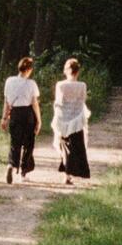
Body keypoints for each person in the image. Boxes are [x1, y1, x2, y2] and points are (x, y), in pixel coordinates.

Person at [0, 55, 41, 183]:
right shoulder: (31, 84)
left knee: (15, 143)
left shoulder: (9, 81)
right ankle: (23, 173)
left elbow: (7, 102)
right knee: (29, 144)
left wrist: (4, 118)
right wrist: (39, 120)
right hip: (28, 115)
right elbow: (34, 103)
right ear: (29, 69)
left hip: (15, 114)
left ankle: (11, 165)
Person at [51, 57, 91, 186]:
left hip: (63, 119)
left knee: (65, 146)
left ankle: (67, 174)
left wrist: (57, 117)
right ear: (77, 71)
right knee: (76, 147)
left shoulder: (60, 85)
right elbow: (82, 101)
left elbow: (59, 102)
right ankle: (70, 174)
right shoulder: (82, 85)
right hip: (77, 120)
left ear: (66, 70)